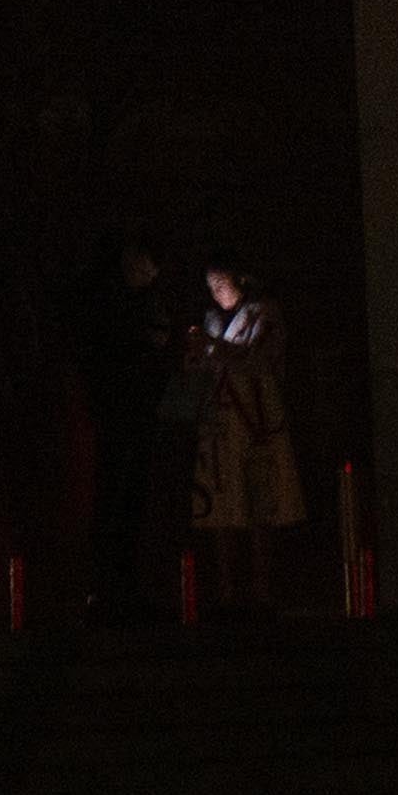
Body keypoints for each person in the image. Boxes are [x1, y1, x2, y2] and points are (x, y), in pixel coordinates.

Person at [74, 230, 181, 615]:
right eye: (143, 272)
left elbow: (159, 339)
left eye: (151, 276)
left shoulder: (142, 298)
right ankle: (106, 584)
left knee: (132, 496)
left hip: (139, 409)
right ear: (131, 259)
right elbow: (104, 348)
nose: (146, 280)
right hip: (115, 409)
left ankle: (124, 582)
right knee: (112, 497)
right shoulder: (105, 296)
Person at [190, 263, 305, 613]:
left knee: (261, 504)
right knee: (222, 510)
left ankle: (262, 590)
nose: (216, 291)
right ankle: (225, 591)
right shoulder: (211, 319)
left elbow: (255, 358)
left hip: (255, 425)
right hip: (219, 429)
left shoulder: (264, 313)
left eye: (221, 282)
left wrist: (212, 347)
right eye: (210, 286)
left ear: (238, 278)